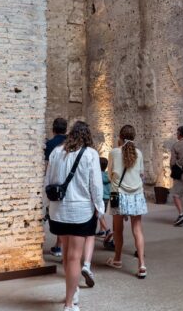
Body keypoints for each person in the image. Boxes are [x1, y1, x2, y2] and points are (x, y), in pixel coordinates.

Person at [45, 121, 104, 311]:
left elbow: (48, 181)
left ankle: (73, 290)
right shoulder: (90, 154)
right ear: (88, 136)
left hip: (58, 211)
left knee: (67, 256)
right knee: (74, 257)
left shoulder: (56, 153)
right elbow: (95, 184)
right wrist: (99, 207)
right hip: (80, 211)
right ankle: (69, 304)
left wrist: (48, 206)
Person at [105, 125, 148, 278]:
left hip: (118, 195)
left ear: (120, 137)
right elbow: (142, 175)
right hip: (136, 195)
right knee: (137, 230)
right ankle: (142, 264)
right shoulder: (139, 153)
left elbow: (110, 174)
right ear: (134, 136)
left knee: (118, 230)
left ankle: (117, 259)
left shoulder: (114, 153)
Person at [46, 117, 68, 257]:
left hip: (53, 183)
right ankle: (60, 245)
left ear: (53, 129)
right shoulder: (71, 142)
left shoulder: (50, 144)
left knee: (53, 213)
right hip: (69, 182)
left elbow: (47, 164)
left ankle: (59, 245)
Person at [97, 157, 111, 237]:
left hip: (100, 197)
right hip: (106, 197)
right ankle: (101, 230)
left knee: (99, 214)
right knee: (102, 214)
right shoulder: (107, 175)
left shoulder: (98, 175)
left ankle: (107, 230)